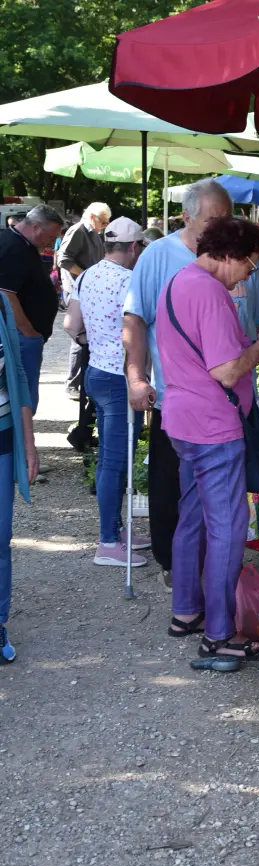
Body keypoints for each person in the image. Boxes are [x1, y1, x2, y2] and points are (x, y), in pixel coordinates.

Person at [123, 178, 259, 593]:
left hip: (226, 407)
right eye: (214, 219)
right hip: (188, 404)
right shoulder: (163, 259)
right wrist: (136, 377)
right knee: (184, 498)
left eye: (227, 217)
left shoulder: (237, 260)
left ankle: (194, 595)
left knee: (205, 505)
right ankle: (192, 586)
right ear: (186, 217)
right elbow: (134, 320)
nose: (222, 226)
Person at [155, 217, 259, 657]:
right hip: (213, 426)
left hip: (184, 421)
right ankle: (220, 635)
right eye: (250, 264)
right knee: (227, 528)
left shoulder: (179, 281)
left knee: (193, 517)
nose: (248, 275)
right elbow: (226, 370)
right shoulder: (209, 292)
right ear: (230, 255)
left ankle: (186, 611)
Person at [63, 218, 151, 567]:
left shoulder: (86, 275)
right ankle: (108, 542)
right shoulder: (131, 281)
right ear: (134, 247)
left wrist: (94, 342)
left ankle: (116, 530)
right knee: (115, 462)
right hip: (121, 378)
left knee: (113, 459)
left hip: (97, 372)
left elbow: (71, 325)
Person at [0, 292, 39, 663]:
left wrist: (29, 444)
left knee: (0, 536)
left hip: (2, 438)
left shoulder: (2, 303)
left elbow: (19, 374)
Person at [0, 204, 64, 414]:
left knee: (25, 397)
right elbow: (5, 293)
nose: (50, 243)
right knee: (23, 399)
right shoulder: (13, 247)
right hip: (20, 336)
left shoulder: (23, 243)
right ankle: (22, 435)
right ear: (36, 227)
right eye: (50, 236)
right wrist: (27, 330)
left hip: (24, 335)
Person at [58, 201, 111, 400]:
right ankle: (72, 384)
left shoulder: (94, 233)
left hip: (89, 289)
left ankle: (82, 383)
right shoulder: (78, 230)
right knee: (79, 336)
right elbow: (63, 260)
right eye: (103, 221)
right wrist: (86, 276)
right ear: (91, 216)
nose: (105, 225)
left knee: (87, 335)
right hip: (77, 290)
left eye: (107, 222)